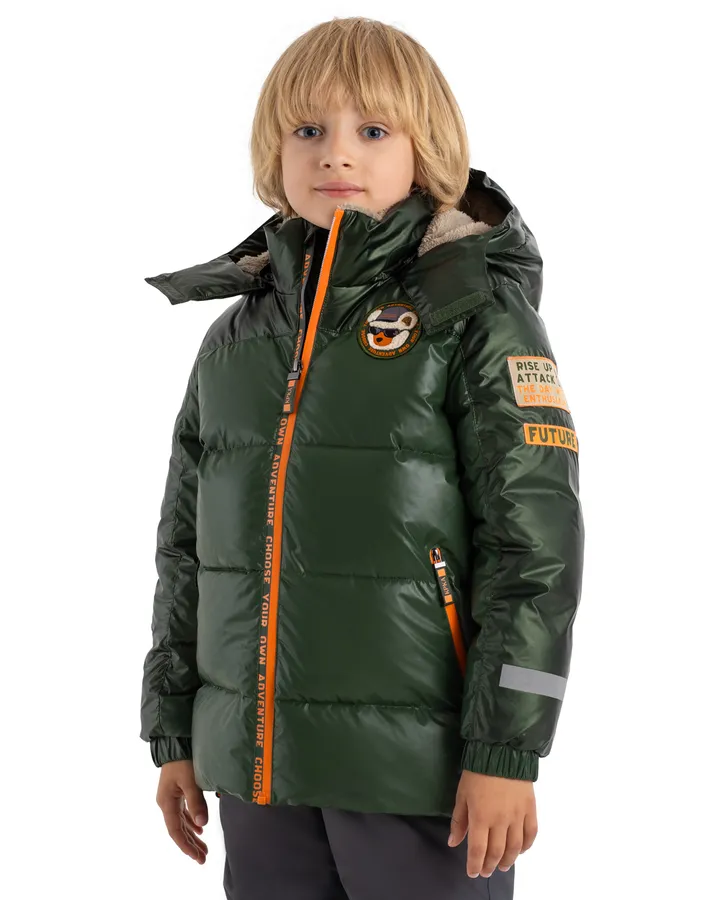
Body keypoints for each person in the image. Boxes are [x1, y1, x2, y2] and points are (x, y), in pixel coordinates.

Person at [139, 16, 584, 900]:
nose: (336, 152)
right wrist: (176, 727)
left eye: (373, 129)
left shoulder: (474, 316)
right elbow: (187, 551)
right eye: (308, 129)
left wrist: (507, 748)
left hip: (418, 771)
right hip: (259, 767)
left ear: (425, 149)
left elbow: (536, 549)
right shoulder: (236, 339)